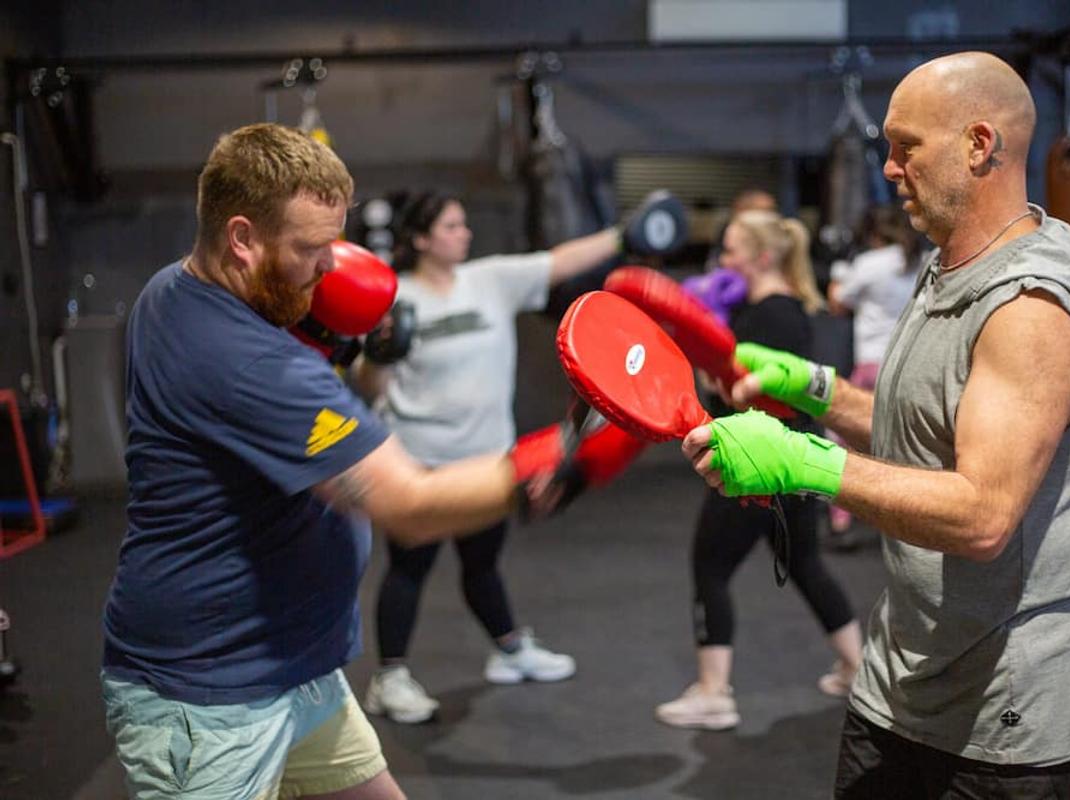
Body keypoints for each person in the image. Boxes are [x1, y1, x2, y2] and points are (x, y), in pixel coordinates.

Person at [683, 52, 1070, 797]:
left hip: (1007, 722)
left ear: (979, 145)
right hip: (901, 683)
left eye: (905, 147)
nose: (887, 168)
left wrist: (804, 463)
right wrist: (812, 387)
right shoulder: (949, 262)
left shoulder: (1031, 310)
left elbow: (983, 514)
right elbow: (916, 427)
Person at [101, 123, 533, 800]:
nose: (329, 267)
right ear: (241, 237)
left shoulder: (169, 292)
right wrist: (569, 457)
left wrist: (330, 342)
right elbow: (409, 507)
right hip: (211, 696)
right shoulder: (249, 362)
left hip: (295, 668)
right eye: (308, 248)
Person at [353, 191, 653, 723]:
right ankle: (389, 677)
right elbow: (371, 389)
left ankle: (510, 651)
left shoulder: (489, 280)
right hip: (420, 463)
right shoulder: (395, 298)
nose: (463, 233)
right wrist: (378, 355)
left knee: (482, 564)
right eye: (450, 226)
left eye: (463, 223)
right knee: (409, 569)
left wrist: (624, 236)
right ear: (421, 239)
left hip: (490, 462)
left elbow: (558, 261)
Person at [655, 209, 863, 732]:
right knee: (806, 565)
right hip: (789, 460)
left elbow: (764, 397)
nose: (722, 261)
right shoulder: (781, 309)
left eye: (730, 251)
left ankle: (712, 692)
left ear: (762, 257)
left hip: (759, 462)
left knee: (710, 566)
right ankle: (856, 667)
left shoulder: (768, 315)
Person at [824, 204, 923, 538]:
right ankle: (908, 519)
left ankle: (840, 519)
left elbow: (836, 302)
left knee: (842, 437)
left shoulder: (869, 264)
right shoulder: (920, 260)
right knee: (906, 444)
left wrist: (839, 267)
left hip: (871, 365)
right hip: (909, 364)